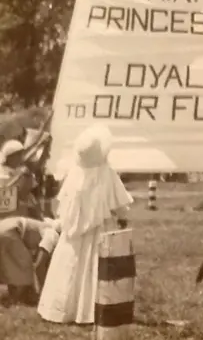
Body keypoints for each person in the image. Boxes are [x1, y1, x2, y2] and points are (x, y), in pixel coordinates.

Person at [37, 124, 133, 324]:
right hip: (99, 231)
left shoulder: (74, 173)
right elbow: (119, 203)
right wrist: (122, 218)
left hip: (72, 234)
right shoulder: (107, 174)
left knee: (70, 266)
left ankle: (61, 309)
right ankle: (90, 310)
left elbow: (64, 204)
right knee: (95, 268)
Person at [0, 216, 60, 307]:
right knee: (25, 266)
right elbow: (39, 265)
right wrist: (44, 292)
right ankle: (15, 300)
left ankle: (14, 297)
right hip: (11, 231)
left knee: (11, 266)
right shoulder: (52, 234)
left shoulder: (45, 226)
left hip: (5, 227)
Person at [0, 140, 41, 220]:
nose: (20, 157)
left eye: (20, 154)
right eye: (18, 155)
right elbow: (5, 189)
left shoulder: (22, 171)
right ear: (10, 157)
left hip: (22, 210)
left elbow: (30, 189)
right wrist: (19, 176)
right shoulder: (2, 171)